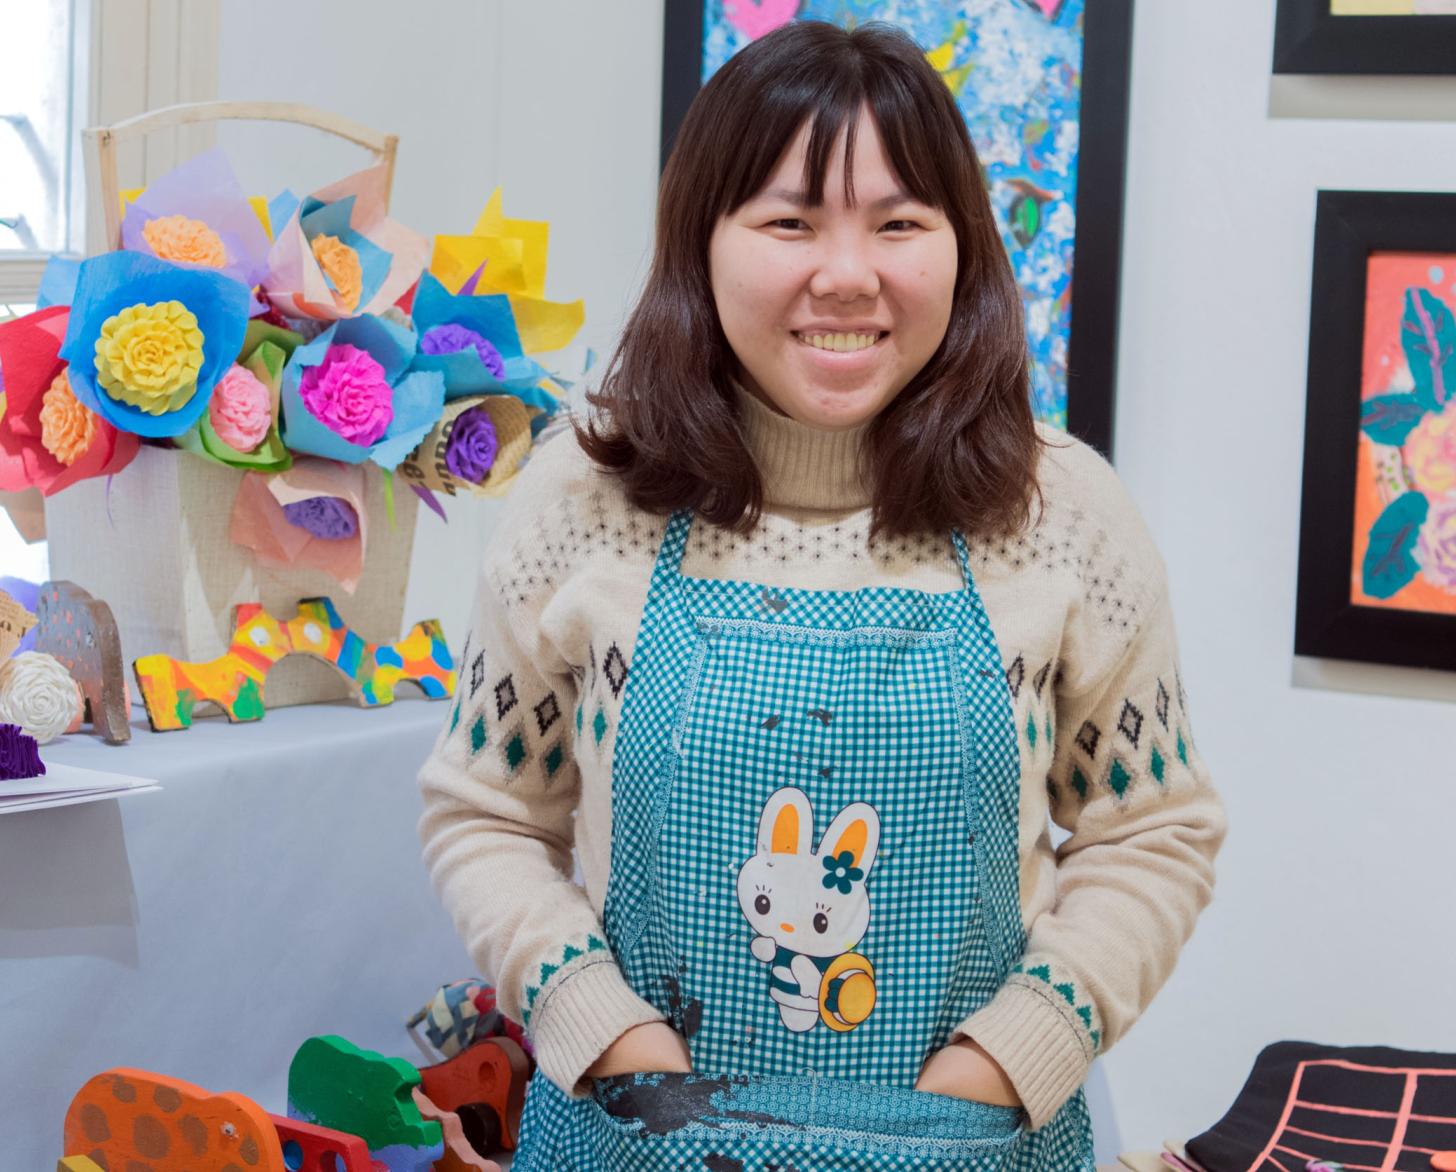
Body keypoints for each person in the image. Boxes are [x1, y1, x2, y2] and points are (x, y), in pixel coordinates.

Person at [417, 19, 1227, 1171]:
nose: (847, 275)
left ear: (962, 247)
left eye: (898, 223)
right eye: (789, 221)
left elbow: (1151, 830)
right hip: (637, 1140)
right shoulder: (582, 498)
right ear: (702, 241)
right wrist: (605, 1031)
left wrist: (1012, 1055)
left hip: (966, 1148)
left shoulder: (1064, 511)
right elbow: (488, 811)